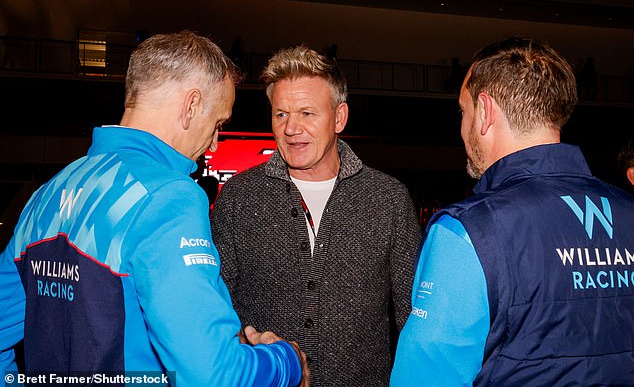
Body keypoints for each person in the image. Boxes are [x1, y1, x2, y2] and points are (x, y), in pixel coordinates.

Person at [0, 31, 308, 387]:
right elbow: (213, 375)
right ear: (191, 106)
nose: (213, 143)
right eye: (219, 124)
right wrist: (287, 362)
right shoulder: (167, 195)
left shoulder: (47, 194)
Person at [391, 37, 634, 386]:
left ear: (486, 111)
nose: (462, 126)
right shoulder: (628, 210)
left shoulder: (469, 231)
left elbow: (425, 377)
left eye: (464, 111)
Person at [211, 45, 421, 387]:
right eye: (281, 114)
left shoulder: (388, 199)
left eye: (307, 113)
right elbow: (215, 306)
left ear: (339, 117)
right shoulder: (239, 197)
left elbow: (412, 316)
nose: (291, 128)